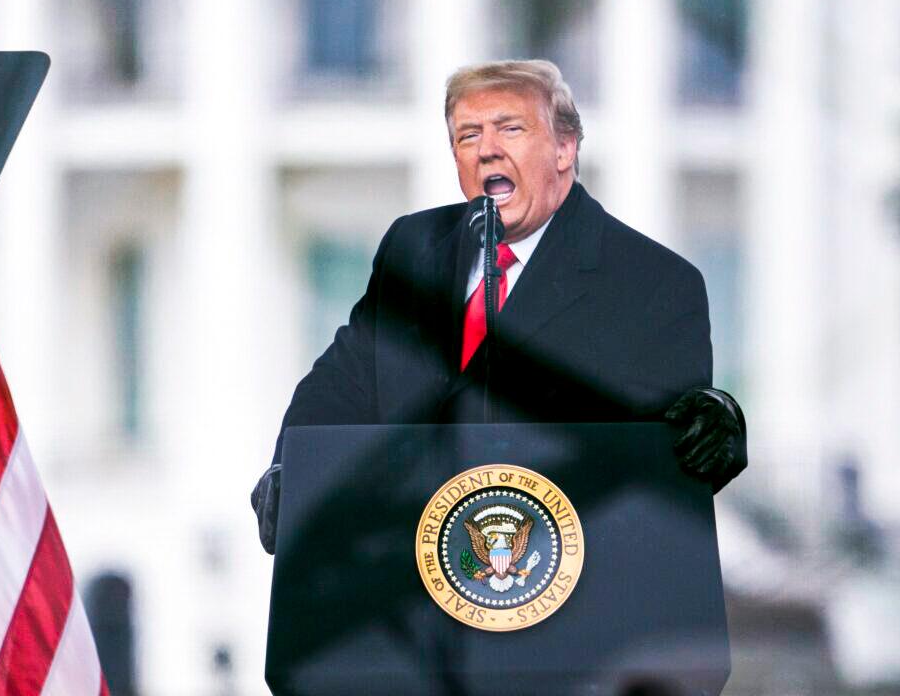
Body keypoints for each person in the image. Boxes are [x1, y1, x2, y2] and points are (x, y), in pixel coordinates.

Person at [252, 60, 746, 553]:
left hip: (565, 586)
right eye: (468, 136)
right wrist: (290, 470)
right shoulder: (413, 247)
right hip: (406, 581)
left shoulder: (653, 281)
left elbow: (676, 446)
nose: (487, 150)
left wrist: (715, 420)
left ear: (564, 148)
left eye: (510, 128)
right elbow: (343, 383)